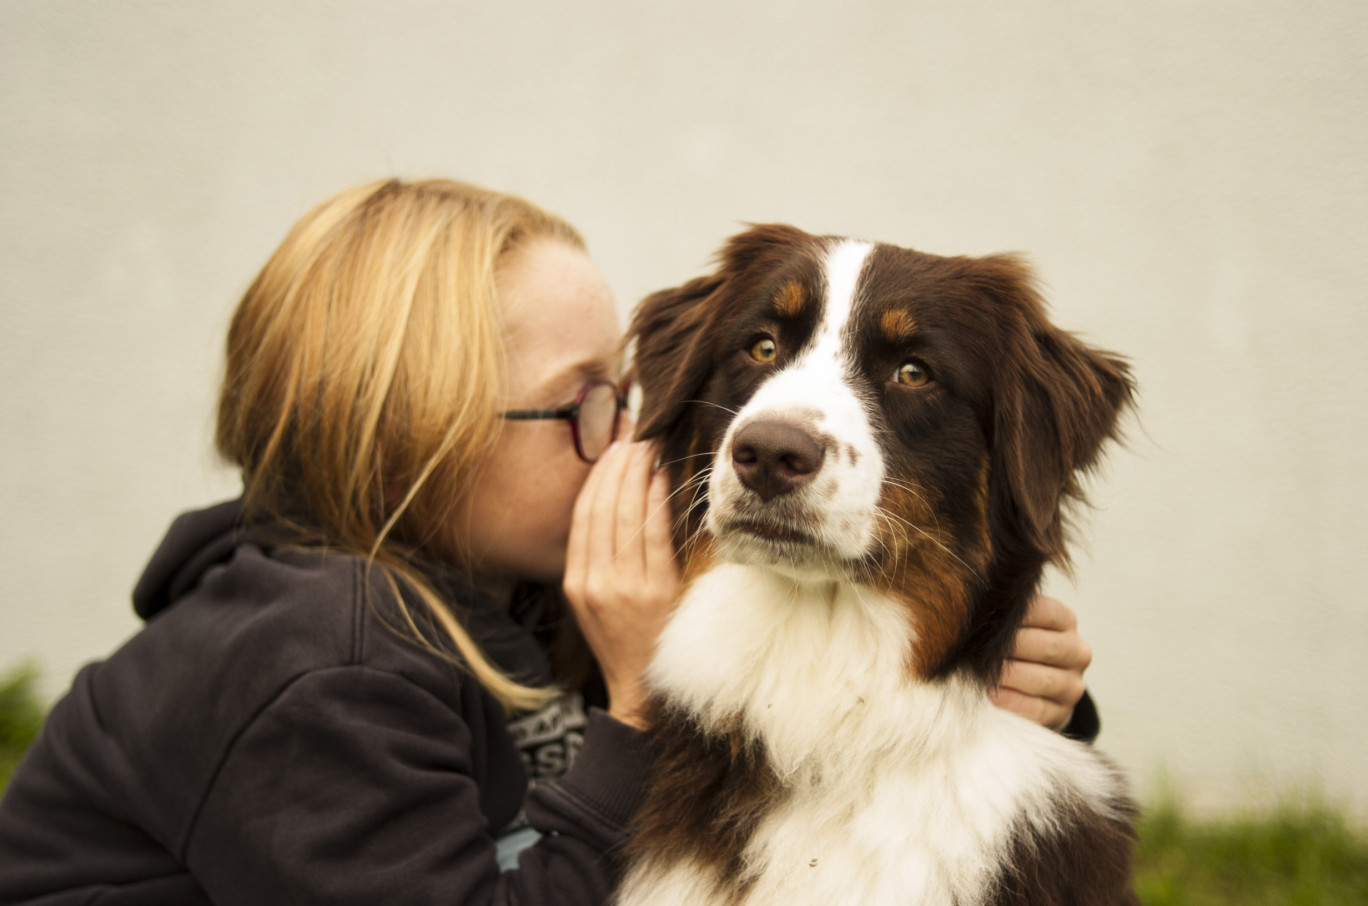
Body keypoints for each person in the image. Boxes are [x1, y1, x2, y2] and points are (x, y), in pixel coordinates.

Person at [0, 178, 1097, 904]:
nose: (632, 437)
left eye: (626, 394)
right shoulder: (308, 664)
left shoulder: (507, 592)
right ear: (414, 439)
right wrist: (630, 708)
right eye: (581, 405)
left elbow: (817, 739)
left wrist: (1001, 693)